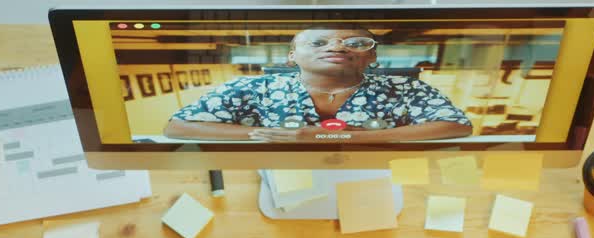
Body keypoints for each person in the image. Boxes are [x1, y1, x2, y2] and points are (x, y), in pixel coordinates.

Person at [164, 26, 473, 143]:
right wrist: (282, 136)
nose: (337, 47)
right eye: (319, 42)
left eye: (354, 43)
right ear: (291, 57)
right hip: (278, 183)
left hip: (378, 178)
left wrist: (350, 137)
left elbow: (456, 126)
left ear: (372, 57)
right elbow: (178, 127)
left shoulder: (404, 88)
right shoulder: (251, 87)